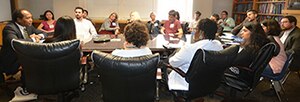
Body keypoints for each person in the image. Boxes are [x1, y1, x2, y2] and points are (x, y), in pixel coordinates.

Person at [0, 9, 47, 100]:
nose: (31, 20)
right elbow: (15, 42)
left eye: (31, 17)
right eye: (28, 18)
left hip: (24, 55)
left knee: (38, 59)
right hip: (12, 59)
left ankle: (36, 85)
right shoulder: (9, 28)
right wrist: (33, 40)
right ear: (18, 19)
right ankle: (27, 89)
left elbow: (43, 32)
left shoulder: (28, 26)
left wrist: (40, 36)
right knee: (31, 63)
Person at [168, 18, 223, 92]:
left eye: (196, 29)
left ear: (201, 33)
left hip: (188, 84)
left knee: (165, 64)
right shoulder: (218, 45)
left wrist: (177, 52)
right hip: (210, 82)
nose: (194, 32)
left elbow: (173, 63)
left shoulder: (190, 48)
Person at [260, 19, 287, 97]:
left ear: (269, 28)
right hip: (280, 65)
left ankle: (245, 85)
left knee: (248, 65)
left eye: (263, 27)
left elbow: (273, 52)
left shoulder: (270, 39)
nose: (261, 29)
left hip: (274, 68)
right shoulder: (275, 37)